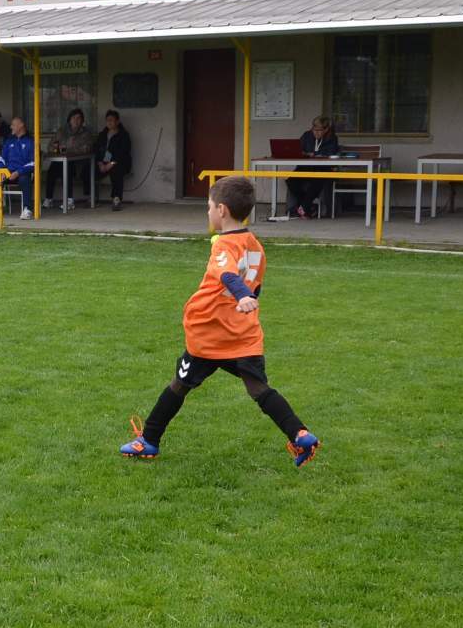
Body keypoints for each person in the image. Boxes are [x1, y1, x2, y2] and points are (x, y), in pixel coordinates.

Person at [120, 175, 319, 466]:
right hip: (242, 335)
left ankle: (148, 440)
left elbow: (228, 275)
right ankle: (299, 434)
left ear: (222, 210)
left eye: (209, 207)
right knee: (259, 388)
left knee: (179, 384)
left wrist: (241, 295)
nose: (208, 212)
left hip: (211, 333)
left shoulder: (223, 246)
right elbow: (256, 286)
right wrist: (247, 297)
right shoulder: (255, 245)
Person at [289, 116, 340, 219]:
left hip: (323, 168)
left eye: (319, 130)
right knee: (291, 181)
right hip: (306, 166)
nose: (316, 133)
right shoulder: (307, 135)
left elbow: (330, 152)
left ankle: (304, 208)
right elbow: (298, 148)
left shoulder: (332, 138)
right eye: (314, 129)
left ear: (326, 130)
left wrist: (314, 154)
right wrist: (304, 153)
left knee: (317, 180)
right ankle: (307, 206)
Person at [0, 116, 37, 219]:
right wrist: (2, 171)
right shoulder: (9, 141)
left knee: (24, 179)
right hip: (8, 173)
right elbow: (2, 158)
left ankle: (27, 209)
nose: (11, 127)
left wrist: (18, 172)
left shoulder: (30, 141)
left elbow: (33, 163)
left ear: (21, 125)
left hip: (22, 173)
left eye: (13, 125)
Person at [97, 109, 133, 211]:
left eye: (111, 120)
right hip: (103, 162)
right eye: (107, 120)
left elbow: (123, 152)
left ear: (117, 121)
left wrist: (111, 163)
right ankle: (92, 197)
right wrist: (100, 163)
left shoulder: (123, 135)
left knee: (116, 170)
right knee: (89, 170)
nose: (109, 122)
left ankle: (116, 198)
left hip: (119, 162)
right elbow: (97, 150)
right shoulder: (102, 134)